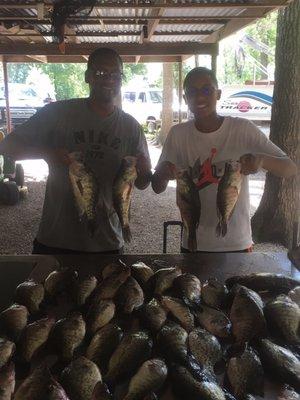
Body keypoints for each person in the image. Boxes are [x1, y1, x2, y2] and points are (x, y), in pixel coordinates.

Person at [0, 47, 152, 254]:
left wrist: (143, 170)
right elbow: (7, 146)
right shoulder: (57, 113)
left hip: (107, 243)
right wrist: (47, 153)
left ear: (121, 79)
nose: (108, 79)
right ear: (87, 76)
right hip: (55, 241)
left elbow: (142, 183)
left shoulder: (131, 127)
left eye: (115, 74)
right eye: (100, 73)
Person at [152, 67, 297, 253]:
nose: (200, 96)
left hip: (237, 243)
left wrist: (260, 161)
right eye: (192, 92)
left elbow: (290, 169)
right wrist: (163, 175)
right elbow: (157, 187)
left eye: (206, 90)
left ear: (218, 93)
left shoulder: (242, 129)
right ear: (185, 98)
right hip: (193, 243)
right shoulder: (178, 134)